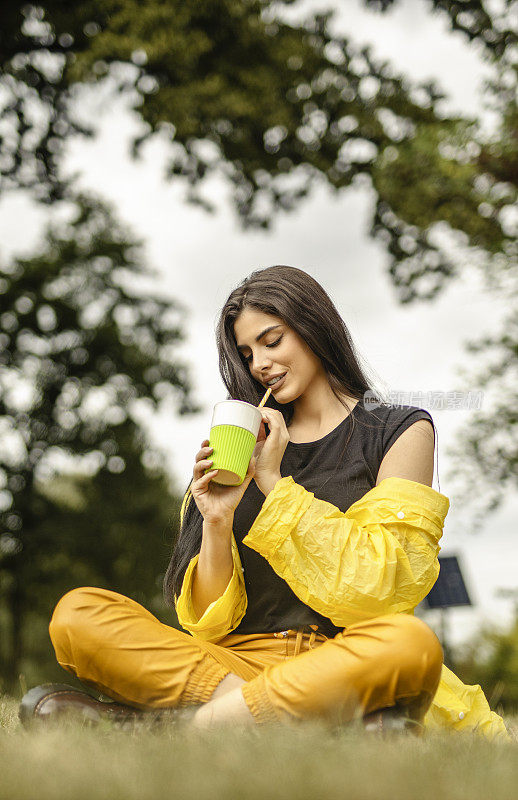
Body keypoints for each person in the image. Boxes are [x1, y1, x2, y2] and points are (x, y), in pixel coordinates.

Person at [20, 266, 509, 740]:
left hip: (340, 660)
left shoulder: (399, 431)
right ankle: (296, 721)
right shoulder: (241, 445)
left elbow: (378, 591)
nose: (259, 365)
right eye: (247, 353)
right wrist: (215, 519)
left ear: (314, 326)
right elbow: (208, 626)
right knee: (78, 614)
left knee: (409, 643)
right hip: (234, 663)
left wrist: (275, 484)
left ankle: (185, 726)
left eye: (272, 342)